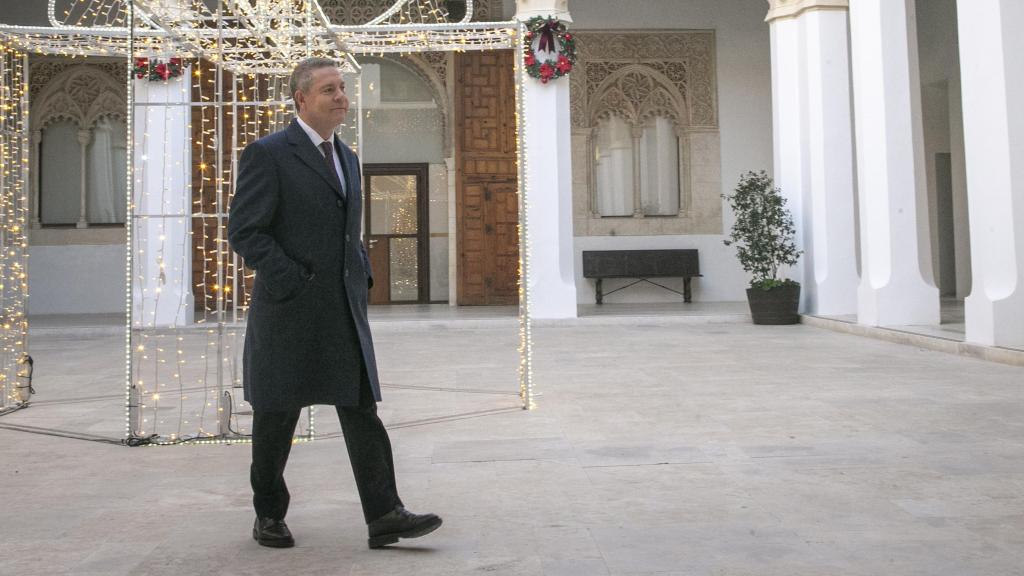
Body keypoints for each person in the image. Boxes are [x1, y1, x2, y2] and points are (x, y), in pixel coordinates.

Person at [227, 57, 442, 550]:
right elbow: (244, 230)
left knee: (360, 410)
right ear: (301, 99)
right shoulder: (268, 154)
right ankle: (269, 516)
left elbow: (347, 231)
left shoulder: (347, 157)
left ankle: (385, 514)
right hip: (289, 310)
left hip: (342, 311)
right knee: (277, 416)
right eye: (329, 90)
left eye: (343, 88)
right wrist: (292, 277)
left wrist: (360, 272)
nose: (341, 97)